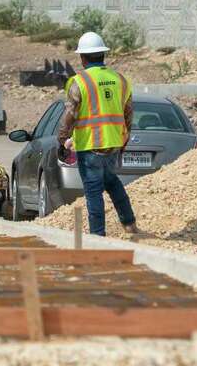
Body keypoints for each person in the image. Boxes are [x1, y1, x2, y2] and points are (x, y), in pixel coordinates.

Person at [56, 31, 139, 238]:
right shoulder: (120, 80)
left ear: (82, 58)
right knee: (111, 181)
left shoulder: (79, 82)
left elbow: (70, 114)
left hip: (90, 145)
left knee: (93, 191)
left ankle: (97, 235)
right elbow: (128, 113)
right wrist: (124, 138)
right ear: (103, 54)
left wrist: (61, 140)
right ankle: (129, 224)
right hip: (113, 143)